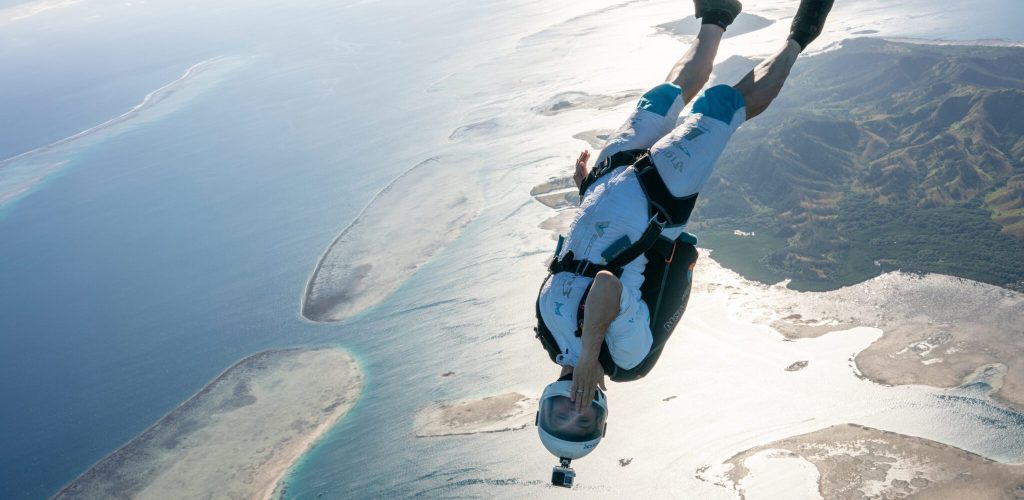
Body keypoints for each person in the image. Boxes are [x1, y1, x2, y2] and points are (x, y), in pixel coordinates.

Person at [534, 0, 835, 463]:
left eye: (560, 419)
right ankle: (801, 34)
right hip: (659, 196)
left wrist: (587, 195)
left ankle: (716, 16)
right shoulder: (626, 358)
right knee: (725, 105)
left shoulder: (549, 335)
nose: (573, 410)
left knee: (664, 93)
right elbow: (606, 285)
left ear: (543, 410)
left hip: (608, 181)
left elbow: (576, 256)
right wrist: (591, 358)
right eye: (583, 422)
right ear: (602, 413)